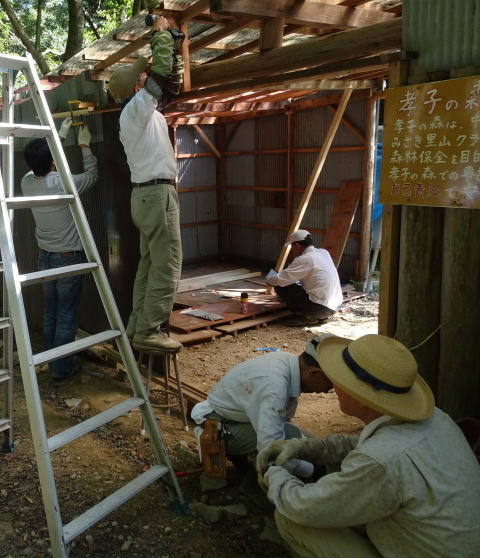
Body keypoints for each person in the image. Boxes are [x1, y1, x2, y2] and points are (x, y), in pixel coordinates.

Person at [256, 334, 480, 558]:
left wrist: (275, 475)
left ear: (361, 396)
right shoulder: (438, 419)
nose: (334, 386)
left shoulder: (378, 462)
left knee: (290, 521)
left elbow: (302, 507)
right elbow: (358, 446)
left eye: (341, 379)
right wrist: (302, 447)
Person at [107, 14, 184, 353]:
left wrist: (175, 46)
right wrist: (162, 35)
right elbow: (161, 73)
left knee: (150, 266)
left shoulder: (139, 111)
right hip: (156, 195)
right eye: (140, 77)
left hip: (146, 196)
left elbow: (171, 81)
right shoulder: (136, 108)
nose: (144, 77)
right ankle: (150, 330)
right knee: (168, 265)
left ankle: (138, 323)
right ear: (135, 87)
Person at [190, 335, 334, 509]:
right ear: (314, 373)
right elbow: (271, 445)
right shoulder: (274, 385)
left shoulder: (290, 363)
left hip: (234, 420)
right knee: (290, 440)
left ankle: (245, 461)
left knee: (309, 441)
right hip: (218, 430)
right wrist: (312, 471)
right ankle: (255, 486)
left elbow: (281, 420)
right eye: (330, 383)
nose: (328, 391)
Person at [21, 121, 98, 386]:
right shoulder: (66, 184)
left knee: (51, 312)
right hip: (67, 259)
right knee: (66, 314)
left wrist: (60, 136)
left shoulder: (27, 182)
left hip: (45, 258)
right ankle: (61, 369)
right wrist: (85, 145)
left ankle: (54, 360)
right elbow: (92, 174)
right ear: (53, 160)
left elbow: (45, 163)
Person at [266, 229, 342, 327]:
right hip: (334, 306)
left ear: (297, 246)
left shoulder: (304, 259)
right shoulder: (324, 252)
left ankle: (308, 316)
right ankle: (323, 317)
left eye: (292, 246)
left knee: (280, 284)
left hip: (319, 309)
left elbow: (280, 280)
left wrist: (269, 280)